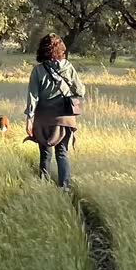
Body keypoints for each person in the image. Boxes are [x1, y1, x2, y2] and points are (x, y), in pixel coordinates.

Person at [23, 33, 84, 188]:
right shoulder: (69, 68)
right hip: (65, 118)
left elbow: (33, 97)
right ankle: (65, 188)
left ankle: (44, 186)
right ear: (61, 49)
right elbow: (81, 91)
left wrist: (29, 119)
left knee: (45, 154)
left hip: (43, 118)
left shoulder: (38, 71)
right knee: (62, 153)